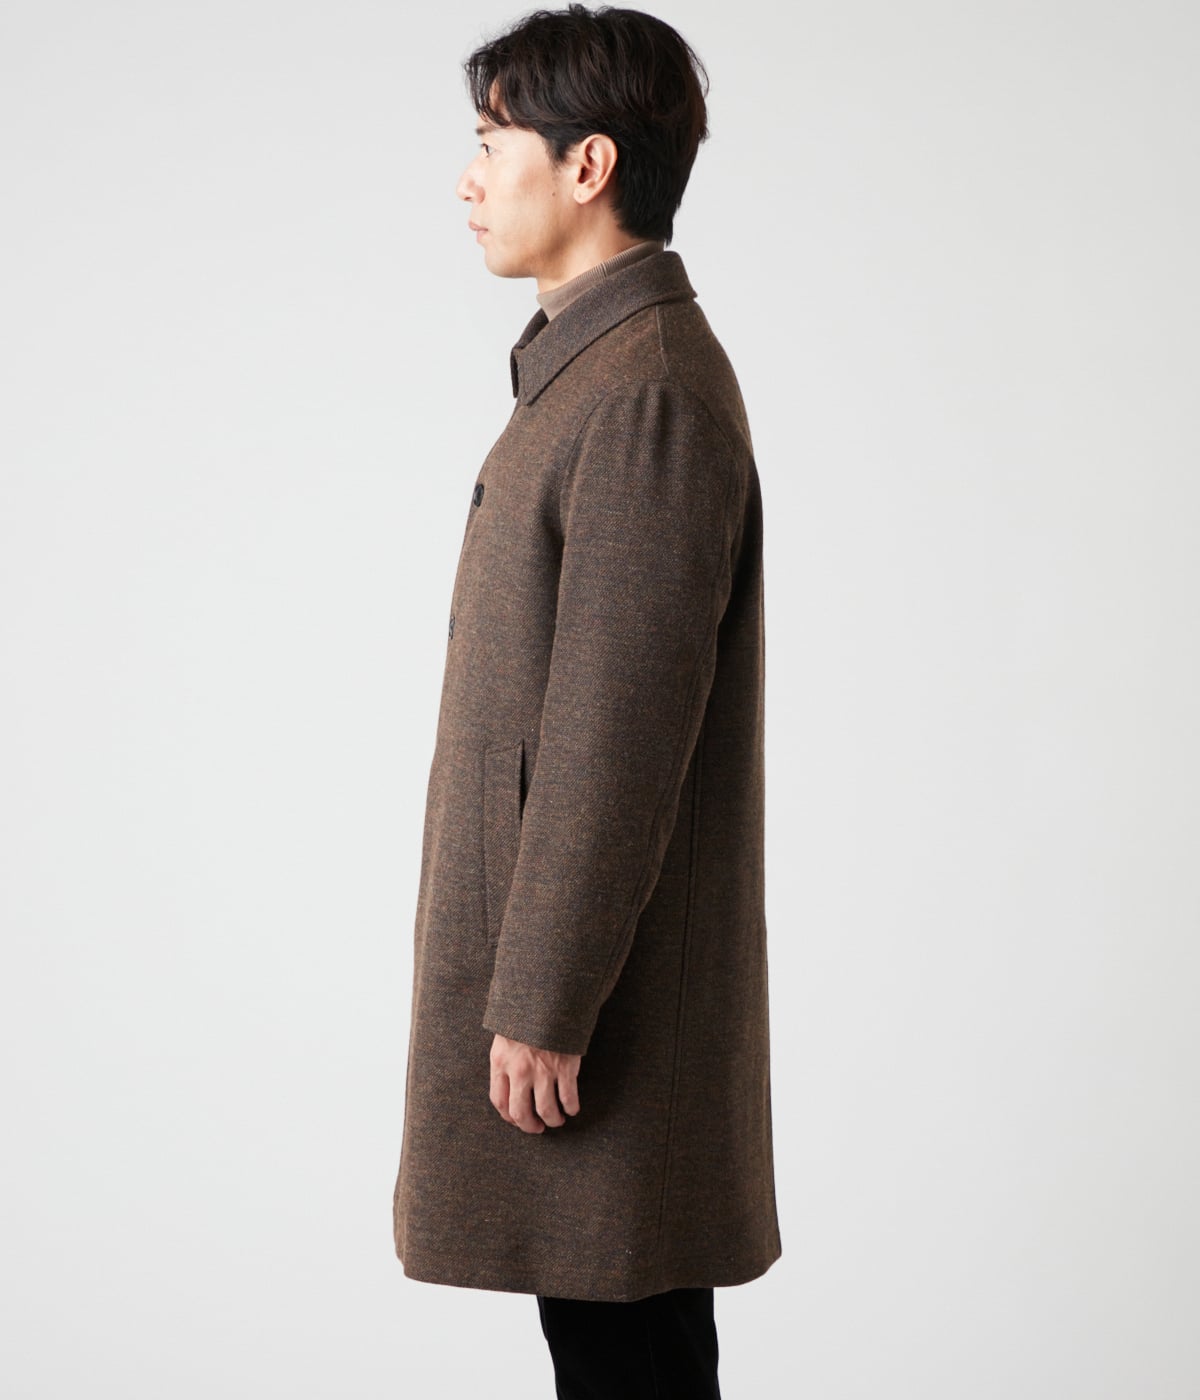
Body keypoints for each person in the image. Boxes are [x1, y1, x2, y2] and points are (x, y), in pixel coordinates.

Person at [391, 6, 781, 1395]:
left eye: (492, 142)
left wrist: (545, 1000)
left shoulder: (643, 392)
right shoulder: (593, 373)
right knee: (615, 1345)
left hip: (595, 1008)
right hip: (575, 989)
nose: (468, 179)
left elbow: (616, 730)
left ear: (589, 165)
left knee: (631, 1353)